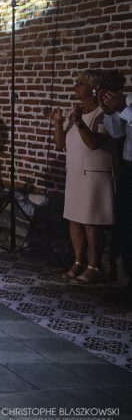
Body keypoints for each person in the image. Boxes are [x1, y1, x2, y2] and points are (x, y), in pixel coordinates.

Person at [50, 69, 115, 284]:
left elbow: (94, 143)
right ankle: (78, 262)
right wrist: (59, 123)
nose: (75, 87)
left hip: (94, 176)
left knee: (91, 223)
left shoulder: (103, 113)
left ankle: (94, 266)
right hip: (75, 174)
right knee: (74, 220)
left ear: (93, 88)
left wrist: (78, 122)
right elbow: (60, 145)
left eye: (80, 83)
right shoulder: (75, 112)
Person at [101, 71, 131, 291]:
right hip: (128, 169)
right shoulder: (129, 101)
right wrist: (111, 113)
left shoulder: (127, 105)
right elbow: (118, 133)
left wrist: (123, 110)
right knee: (124, 223)